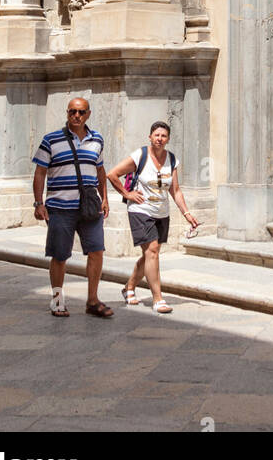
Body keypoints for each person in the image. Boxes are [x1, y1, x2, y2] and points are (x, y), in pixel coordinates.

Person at [32, 97, 113, 318]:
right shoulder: (51, 139)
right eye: (72, 112)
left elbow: (100, 170)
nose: (76, 116)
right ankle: (57, 300)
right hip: (60, 207)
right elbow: (40, 172)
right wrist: (39, 203)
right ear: (67, 113)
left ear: (88, 114)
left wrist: (105, 198)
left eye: (81, 112)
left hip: (89, 206)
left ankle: (93, 300)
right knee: (60, 255)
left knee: (97, 250)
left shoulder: (97, 139)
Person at [107, 122, 199, 314]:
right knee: (153, 251)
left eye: (163, 136)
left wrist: (187, 213)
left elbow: (175, 190)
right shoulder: (139, 155)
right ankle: (158, 298)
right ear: (150, 137)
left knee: (149, 254)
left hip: (161, 212)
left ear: (168, 139)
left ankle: (129, 287)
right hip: (140, 210)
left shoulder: (172, 159)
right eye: (156, 135)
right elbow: (112, 174)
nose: (159, 139)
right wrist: (127, 194)